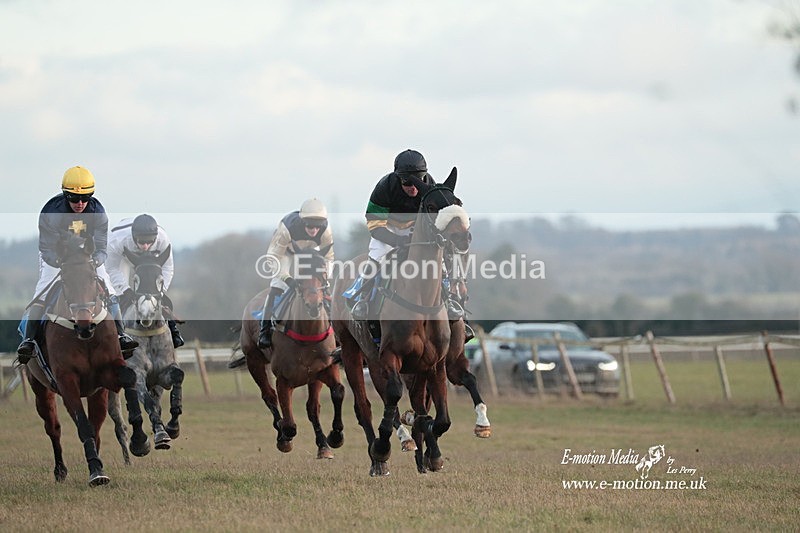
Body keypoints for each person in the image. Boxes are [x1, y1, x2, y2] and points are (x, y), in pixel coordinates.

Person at [17, 166, 138, 364]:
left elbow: (101, 248)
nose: (80, 203)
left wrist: (93, 261)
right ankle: (28, 340)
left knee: (108, 288)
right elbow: (46, 249)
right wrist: (62, 263)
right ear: (65, 195)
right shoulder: (50, 212)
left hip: (87, 255)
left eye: (85, 198)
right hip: (56, 256)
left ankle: (121, 335)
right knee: (43, 290)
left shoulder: (98, 212)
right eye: (74, 199)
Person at [348, 149, 435, 320]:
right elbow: (374, 224)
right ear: (398, 178)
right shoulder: (385, 187)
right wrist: (396, 239)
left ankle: (453, 300)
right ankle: (362, 298)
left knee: (438, 261)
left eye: (418, 182)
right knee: (377, 255)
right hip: (387, 228)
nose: (413, 189)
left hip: (415, 229)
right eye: (408, 183)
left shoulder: (430, 185)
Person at [258, 198, 335, 349]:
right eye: (310, 226)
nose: (314, 230)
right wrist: (287, 278)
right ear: (302, 222)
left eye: (317, 227)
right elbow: (273, 258)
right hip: (284, 254)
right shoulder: (287, 227)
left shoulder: (325, 230)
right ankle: (264, 330)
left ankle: (335, 328)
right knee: (277, 286)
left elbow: (329, 257)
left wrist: (325, 279)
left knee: (321, 287)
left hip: (311, 252)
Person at [106, 213, 184, 348]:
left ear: (155, 238)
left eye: (149, 242)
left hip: (150, 260)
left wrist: (160, 291)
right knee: (116, 296)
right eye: (141, 242)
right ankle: (119, 334)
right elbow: (111, 269)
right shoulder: (117, 240)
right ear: (134, 237)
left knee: (158, 296)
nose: (145, 246)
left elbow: (167, 269)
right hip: (122, 258)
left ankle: (173, 330)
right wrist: (125, 290)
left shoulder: (163, 239)